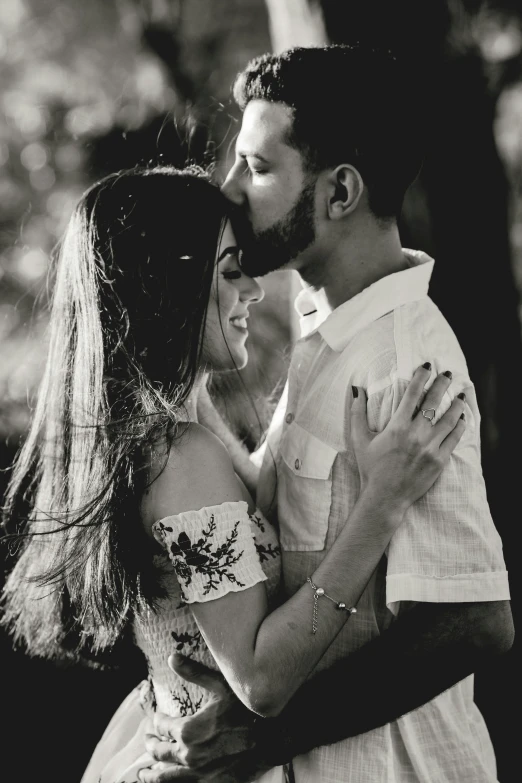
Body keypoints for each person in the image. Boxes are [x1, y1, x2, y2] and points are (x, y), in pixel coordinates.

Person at [0, 165, 465, 783]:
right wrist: (383, 502)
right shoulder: (177, 454)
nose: (252, 289)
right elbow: (260, 681)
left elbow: (265, 483)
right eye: (227, 270)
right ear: (162, 284)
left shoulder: (176, 428)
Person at [137, 46, 513, 783]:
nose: (231, 189)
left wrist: (261, 737)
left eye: (260, 167)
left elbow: (475, 623)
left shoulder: (405, 362)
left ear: (339, 192)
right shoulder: (324, 331)